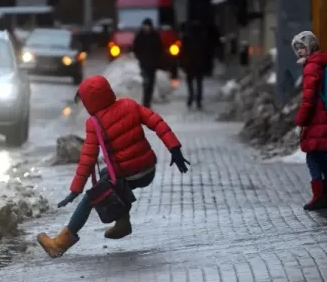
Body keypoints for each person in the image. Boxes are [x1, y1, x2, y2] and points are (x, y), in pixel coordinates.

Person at [36, 75, 191, 258]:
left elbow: (87, 159)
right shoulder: (129, 104)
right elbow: (157, 123)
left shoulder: (94, 123)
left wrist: (75, 190)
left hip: (128, 173)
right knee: (106, 175)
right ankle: (122, 223)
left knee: (92, 196)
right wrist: (175, 150)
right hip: (148, 170)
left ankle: (60, 243)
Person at [292, 31, 327, 211]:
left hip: (316, 120)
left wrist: (301, 121)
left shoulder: (311, 67)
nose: (299, 52)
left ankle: (319, 196)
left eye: (302, 47)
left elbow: (308, 99)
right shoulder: (323, 62)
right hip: (326, 118)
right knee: (321, 157)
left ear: (311, 46)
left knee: (312, 157)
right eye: (296, 49)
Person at [132, 18, 163, 108]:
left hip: (152, 64)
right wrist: (139, 58)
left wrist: (157, 61)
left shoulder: (155, 36)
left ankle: (148, 101)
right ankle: (145, 102)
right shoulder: (140, 36)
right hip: (143, 64)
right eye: (145, 26)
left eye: (147, 26)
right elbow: (135, 48)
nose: (146, 28)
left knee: (151, 83)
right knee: (145, 83)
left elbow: (159, 49)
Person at [179, 20, 209, 109]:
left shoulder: (186, 38)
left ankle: (191, 97)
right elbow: (206, 53)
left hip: (190, 64)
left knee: (190, 82)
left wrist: (183, 63)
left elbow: (183, 52)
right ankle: (198, 100)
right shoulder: (203, 38)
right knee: (199, 83)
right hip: (199, 64)